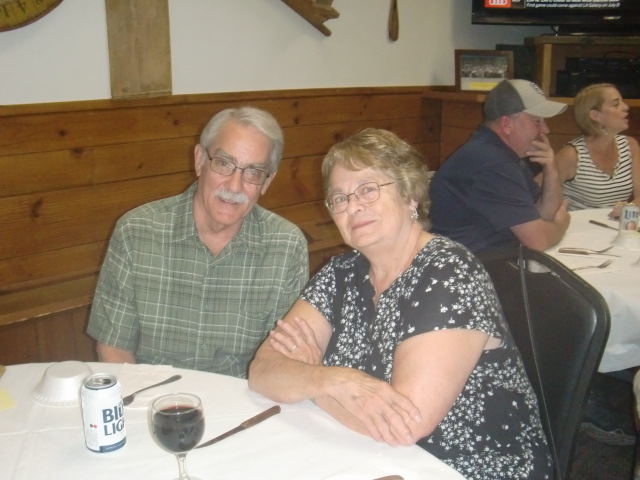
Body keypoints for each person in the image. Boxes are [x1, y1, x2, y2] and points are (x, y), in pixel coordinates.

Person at [248, 128, 553, 480]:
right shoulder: (340, 273)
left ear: (410, 196)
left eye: (368, 189)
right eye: (339, 198)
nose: (353, 206)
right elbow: (263, 370)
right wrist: (329, 380)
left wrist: (313, 383)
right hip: (373, 457)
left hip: (467, 468)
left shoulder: (449, 272)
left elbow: (406, 424)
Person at [87, 106, 309, 378]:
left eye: (253, 172)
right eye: (224, 163)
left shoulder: (286, 247)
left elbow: (281, 361)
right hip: (150, 396)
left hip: (240, 399)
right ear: (200, 160)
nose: (234, 186)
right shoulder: (136, 233)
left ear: (267, 181)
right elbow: (114, 348)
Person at [429, 79, 570, 254]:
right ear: (507, 124)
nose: (545, 130)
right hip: (470, 265)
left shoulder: (500, 154)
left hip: (483, 259)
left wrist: (551, 170)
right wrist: (561, 226)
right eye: (537, 121)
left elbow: (545, 215)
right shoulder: (490, 161)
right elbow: (537, 240)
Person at [556, 83, 640, 217]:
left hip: (615, 227)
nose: (626, 107)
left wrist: (629, 207)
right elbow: (535, 191)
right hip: (577, 227)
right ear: (595, 115)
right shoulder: (571, 154)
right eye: (616, 104)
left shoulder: (630, 146)